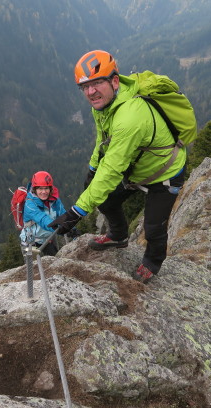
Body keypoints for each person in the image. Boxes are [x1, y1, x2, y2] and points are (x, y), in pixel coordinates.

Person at [50, 50, 186, 283]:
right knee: (105, 199)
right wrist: (93, 168)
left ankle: (153, 262)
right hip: (137, 167)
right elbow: (102, 140)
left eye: (97, 83)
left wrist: (76, 212)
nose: (91, 92)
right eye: (85, 86)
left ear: (114, 81)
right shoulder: (103, 105)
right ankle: (119, 235)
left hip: (165, 172)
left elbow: (112, 169)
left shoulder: (130, 118)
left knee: (153, 227)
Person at [20, 171, 66, 256]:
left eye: (46, 188)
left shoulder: (55, 201)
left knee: (54, 265)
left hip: (48, 240)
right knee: (34, 268)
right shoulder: (29, 204)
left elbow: (64, 216)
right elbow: (42, 219)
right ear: (35, 189)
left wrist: (72, 228)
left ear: (50, 189)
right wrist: (60, 228)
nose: (44, 192)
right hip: (30, 243)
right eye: (40, 189)